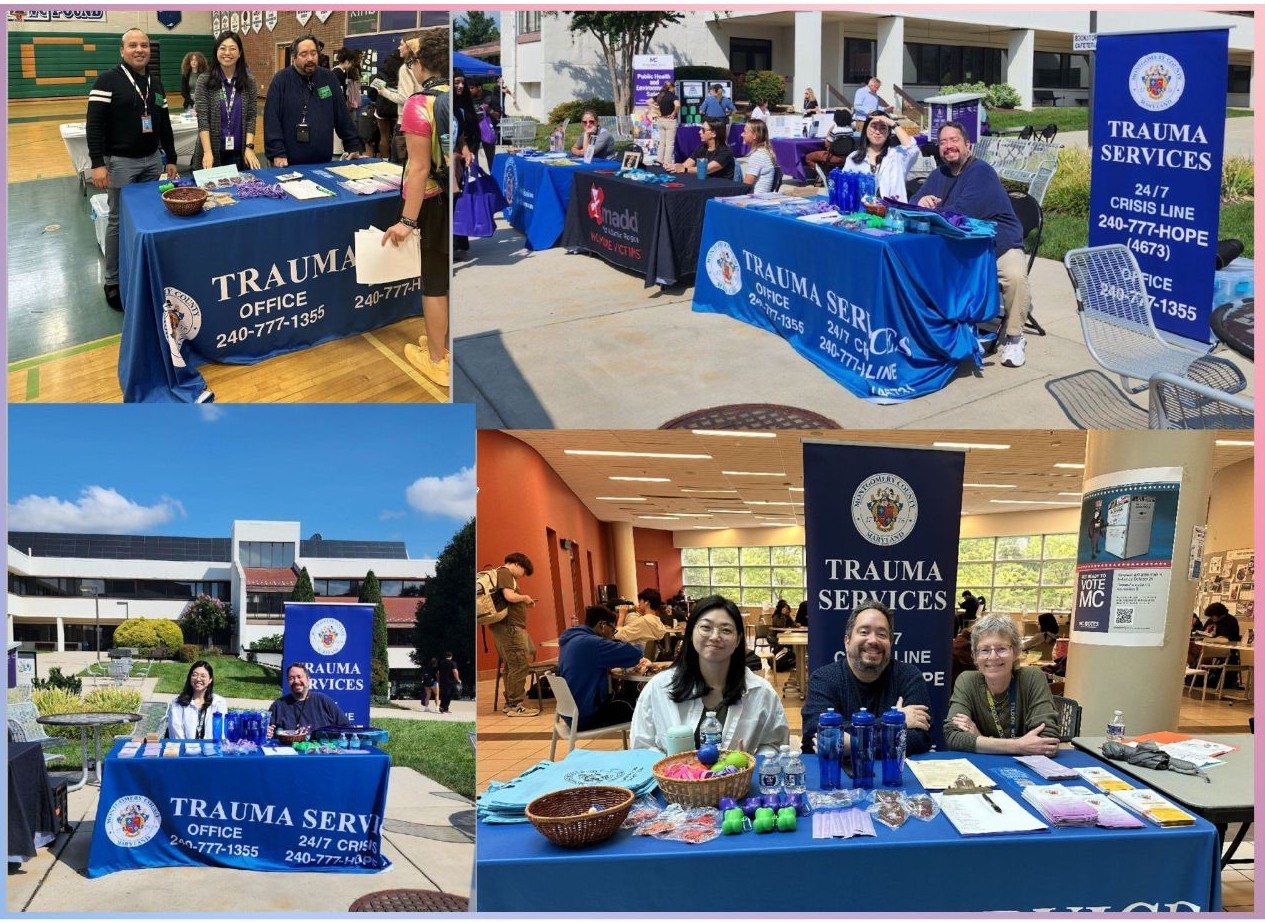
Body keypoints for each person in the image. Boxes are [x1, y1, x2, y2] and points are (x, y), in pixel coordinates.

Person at [915, 121, 1030, 369]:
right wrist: (922, 201)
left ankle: (1015, 337)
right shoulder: (939, 175)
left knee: (1014, 275)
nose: (948, 146)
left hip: (996, 245)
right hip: (960, 248)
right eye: (943, 142)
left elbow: (963, 213)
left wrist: (934, 211)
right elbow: (912, 204)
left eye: (954, 140)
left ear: (968, 145)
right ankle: (944, 333)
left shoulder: (981, 172)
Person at [86, 28, 178, 312]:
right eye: (133, 45)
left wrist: (171, 156)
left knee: (151, 216)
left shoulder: (156, 84)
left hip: (152, 160)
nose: (140, 49)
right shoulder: (107, 81)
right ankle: (112, 281)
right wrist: (98, 163)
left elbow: (163, 123)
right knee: (118, 220)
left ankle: (146, 271)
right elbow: (95, 124)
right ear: (122, 50)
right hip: (121, 163)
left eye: (144, 45)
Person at [631, 595, 788, 756]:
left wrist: (751, 763)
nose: (715, 636)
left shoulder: (760, 692)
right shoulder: (659, 688)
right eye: (706, 627)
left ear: (738, 639)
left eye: (726, 630)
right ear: (691, 633)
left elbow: (775, 745)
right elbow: (642, 747)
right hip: (672, 781)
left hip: (738, 781)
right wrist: (674, 768)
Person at [382, 32, 450, 389]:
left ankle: (437, 359)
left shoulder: (418, 103)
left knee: (434, 284)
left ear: (420, 65)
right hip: (457, 198)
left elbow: (420, 168)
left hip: (432, 201)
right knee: (445, 278)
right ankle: (442, 344)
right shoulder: (456, 96)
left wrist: (407, 221)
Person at [801, 599, 933, 755]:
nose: (873, 640)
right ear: (847, 641)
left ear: (890, 643)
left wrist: (854, 745)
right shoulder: (823, 678)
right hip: (833, 776)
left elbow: (920, 739)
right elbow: (818, 735)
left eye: (882, 634)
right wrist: (894, 722)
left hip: (893, 775)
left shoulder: (909, 676)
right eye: (864, 632)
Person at [943, 613, 1060, 755]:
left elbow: (1047, 741)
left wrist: (980, 738)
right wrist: (1018, 746)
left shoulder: (1032, 678)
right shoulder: (967, 681)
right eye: (985, 650)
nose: (993, 657)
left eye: (1002, 649)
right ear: (974, 656)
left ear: (1016, 652)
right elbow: (952, 736)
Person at [264, 34, 364, 166]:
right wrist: (277, 152)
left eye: (313, 53)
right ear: (293, 57)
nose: (310, 58)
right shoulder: (281, 80)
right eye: (304, 54)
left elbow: (342, 115)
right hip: (287, 162)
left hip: (323, 161)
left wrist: (353, 144)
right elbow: (272, 119)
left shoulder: (329, 78)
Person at [560, 606, 651, 730]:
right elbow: (636, 653)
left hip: (571, 714)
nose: (612, 635)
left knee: (626, 698)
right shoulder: (593, 643)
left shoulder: (571, 641)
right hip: (587, 717)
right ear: (602, 625)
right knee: (642, 706)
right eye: (612, 630)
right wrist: (616, 641)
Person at [192, 31, 260, 172]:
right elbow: (203, 119)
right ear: (216, 51)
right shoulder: (204, 80)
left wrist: (249, 147)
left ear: (240, 53)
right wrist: (208, 152)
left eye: (233, 48)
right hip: (210, 151)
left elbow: (251, 117)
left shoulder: (249, 81)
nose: (227, 53)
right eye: (222, 48)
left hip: (238, 151)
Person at [486, 552, 539, 716]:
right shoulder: (505, 573)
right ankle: (516, 705)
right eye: (524, 572)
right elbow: (509, 596)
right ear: (517, 564)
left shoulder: (501, 574)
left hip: (505, 627)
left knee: (511, 665)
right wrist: (525, 598)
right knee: (519, 663)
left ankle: (511, 703)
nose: (523, 576)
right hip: (510, 627)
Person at [841, 110, 917, 202]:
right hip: (861, 213)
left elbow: (912, 148)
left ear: (889, 132)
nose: (877, 132)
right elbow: (844, 187)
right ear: (865, 130)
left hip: (892, 213)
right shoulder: (853, 157)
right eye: (873, 127)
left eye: (883, 128)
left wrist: (893, 124)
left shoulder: (896, 155)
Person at [268, 662, 348, 734]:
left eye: (299, 677)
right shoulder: (278, 706)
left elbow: (346, 727)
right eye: (291, 678)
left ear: (308, 679)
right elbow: (266, 730)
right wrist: (267, 732)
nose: (296, 681)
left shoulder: (323, 701)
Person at [165, 660, 228, 739]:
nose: (198, 679)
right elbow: (176, 733)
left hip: (211, 749)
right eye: (194, 675)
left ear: (210, 680)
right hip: (184, 749)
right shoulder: (177, 702)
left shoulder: (219, 702)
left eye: (203, 676)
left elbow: (222, 733)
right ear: (190, 677)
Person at [671, 118, 735, 180]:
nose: (700, 132)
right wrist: (673, 167)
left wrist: (684, 169)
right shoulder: (702, 148)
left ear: (714, 134)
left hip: (721, 187)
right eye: (700, 129)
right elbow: (686, 165)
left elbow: (705, 170)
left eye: (703, 130)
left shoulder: (725, 152)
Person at [803, 109, 853, 183]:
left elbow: (827, 144)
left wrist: (830, 131)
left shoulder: (835, 131)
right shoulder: (850, 130)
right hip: (846, 157)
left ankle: (822, 173)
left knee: (808, 157)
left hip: (833, 157)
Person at [1200, 602, 1242, 688]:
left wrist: (1209, 638)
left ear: (1219, 614)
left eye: (1212, 616)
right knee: (1193, 650)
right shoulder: (1211, 620)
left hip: (1225, 648)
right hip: (1211, 645)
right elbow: (1203, 632)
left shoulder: (1230, 620)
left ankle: (1203, 677)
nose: (1211, 618)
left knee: (1202, 653)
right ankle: (1198, 676)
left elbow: (1224, 639)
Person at [615, 589, 669, 654]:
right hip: (650, 658)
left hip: (639, 659)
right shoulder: (658, 621)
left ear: (646, 602)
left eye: (640, 601)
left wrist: (621, 615)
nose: (639, 604)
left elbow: (617, 636)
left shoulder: (643, 621)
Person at [740, 119, 777, 193]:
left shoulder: (758, 156)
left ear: (754, 136)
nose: (742, 134)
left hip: (755, 199)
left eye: (745, 132)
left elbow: (746, 185)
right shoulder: (765, 152)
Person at [653, 79, 678, 168]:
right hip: (670, 121)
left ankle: (659, 160)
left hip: (661, 120)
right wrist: (673, 113)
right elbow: (677, 105)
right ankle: (667, 163)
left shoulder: (660, 96)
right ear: (671, 87)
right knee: (670, 143)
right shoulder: (673, 96)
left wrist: (656, 108)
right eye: (674, 87)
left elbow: (648, 101)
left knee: (662, 142)